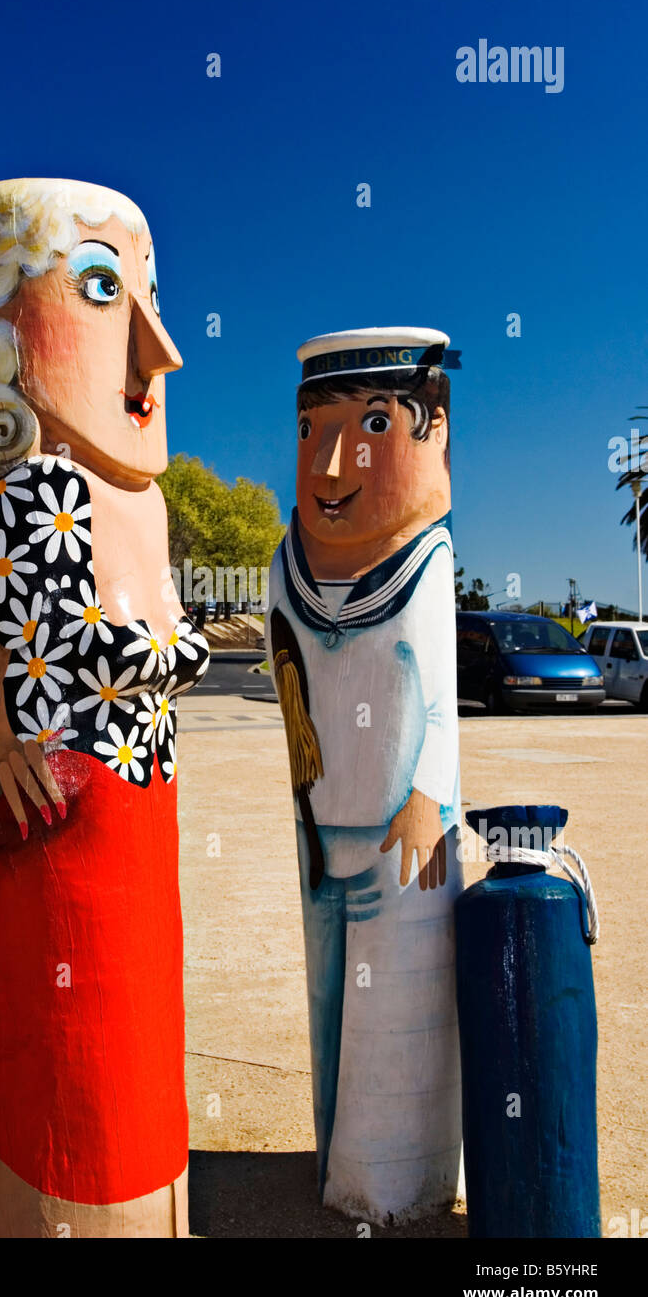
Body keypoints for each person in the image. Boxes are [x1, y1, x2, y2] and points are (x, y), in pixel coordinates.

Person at [0, 178, 209, 1237]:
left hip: (134, 824)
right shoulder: (13, 494)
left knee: (133, 1044)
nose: (156, 349)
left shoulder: (148, 501)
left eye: (150, 295)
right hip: (40, 844)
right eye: (99, 290)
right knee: (57, 1061)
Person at [265, 327, 463, 1224]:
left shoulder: (427, 564)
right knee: (329, 1011)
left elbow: (436, 703)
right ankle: (336, 1167)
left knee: (398, 1026)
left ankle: (390, 1180)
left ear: (435, 433)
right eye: (315, 430)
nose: (335, 465)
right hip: (318, 833)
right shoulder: (284, 568)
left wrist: (427, 797)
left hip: (401, 839)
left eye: (375, 425)